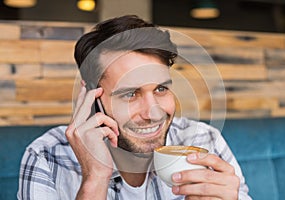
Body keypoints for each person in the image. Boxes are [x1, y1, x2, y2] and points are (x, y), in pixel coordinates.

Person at [18, 15, 251, 200]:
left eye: (161, 89)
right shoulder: (46, 157)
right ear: (92, 97)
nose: (154, 113)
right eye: (130, 94)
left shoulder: (204, 140)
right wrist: (95, 178)